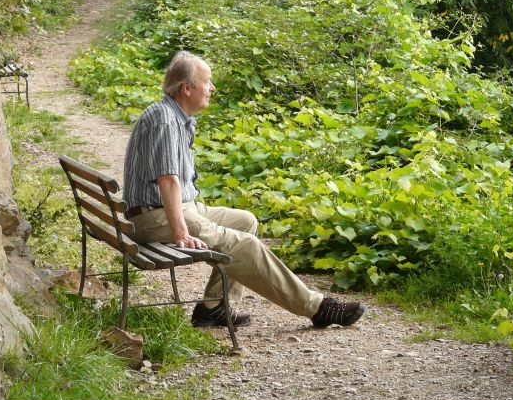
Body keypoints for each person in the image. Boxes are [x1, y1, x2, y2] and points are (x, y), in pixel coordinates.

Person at [123, 50, 366, 328]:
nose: (212, 88)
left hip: (168, 209)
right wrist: (181, 232)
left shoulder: (176, 116)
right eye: (207, 81)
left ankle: (213, 307)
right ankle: (316, 307)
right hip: (154, 216)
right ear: (187, 88)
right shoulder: (165, 120)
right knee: (246, 246)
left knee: (246, 221)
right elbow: (168, 181)